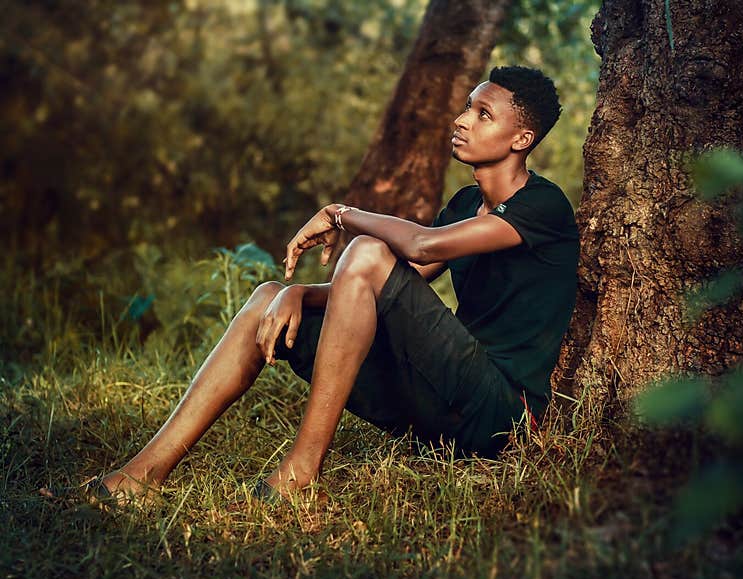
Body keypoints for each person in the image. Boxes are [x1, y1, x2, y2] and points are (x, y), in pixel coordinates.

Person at [71, 65, 578, 503]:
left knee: (366, 248)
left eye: (483, 114)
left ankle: (301, 473)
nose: (463, 120)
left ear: (521, 139)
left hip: (502, 416)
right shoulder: (465, 207)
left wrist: (342, 215)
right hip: (443, 405)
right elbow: (386, 287)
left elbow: (420, 248)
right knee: (267, 296)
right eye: (468, 107)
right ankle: (142, 476)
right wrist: (300, 294)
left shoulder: (544, 206)